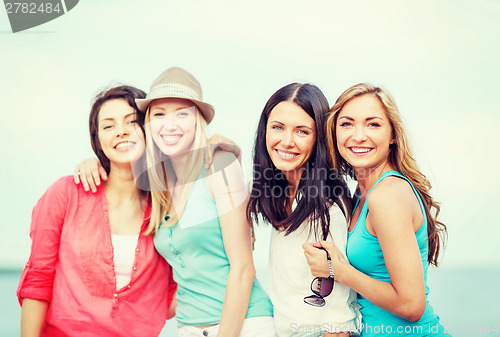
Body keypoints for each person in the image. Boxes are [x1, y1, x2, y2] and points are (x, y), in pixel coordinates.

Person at [17, 86, 177, 337]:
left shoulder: (168, 209)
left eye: (132, 122)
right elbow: (38, 281)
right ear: (98, 140)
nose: (121, 131)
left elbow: (173, 298)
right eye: (108, 126)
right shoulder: (66, 193)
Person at [131, 67, 275, 337]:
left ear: (198, 120)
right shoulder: (159, 185)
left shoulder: (219, 164)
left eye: (182, 113)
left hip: (243, 326)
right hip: (188, 328)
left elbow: (243, 269)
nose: (170, 124)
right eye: (159, 114)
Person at [303, 83, 450, 336]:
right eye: (347, 124)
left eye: (373, 124)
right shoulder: (362, 193)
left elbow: (411, 305)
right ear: (334, 133)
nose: (359, 135)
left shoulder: (387, 194)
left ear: (393, 135)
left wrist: (338, 271)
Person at [247, 83, 360, 337]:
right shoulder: (281, 191)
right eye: (277, 127)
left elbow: (339, 316)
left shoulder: (328, 204)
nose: (286, 141)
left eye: (302, 131)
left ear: (319, 138)